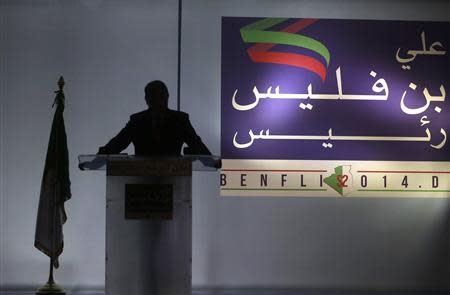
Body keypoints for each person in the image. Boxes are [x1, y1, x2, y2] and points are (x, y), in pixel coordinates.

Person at [97, 80, 211, 156]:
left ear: (167, 97)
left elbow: (196, 144)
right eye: (153, 97)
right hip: (141, 181)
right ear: (147, 99)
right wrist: (96, 161)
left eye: (160, 96)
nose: (157, 100)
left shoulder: (180, 120)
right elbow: (117, 143)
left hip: (173, 180)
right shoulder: (137, 121)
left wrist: (212, 161)